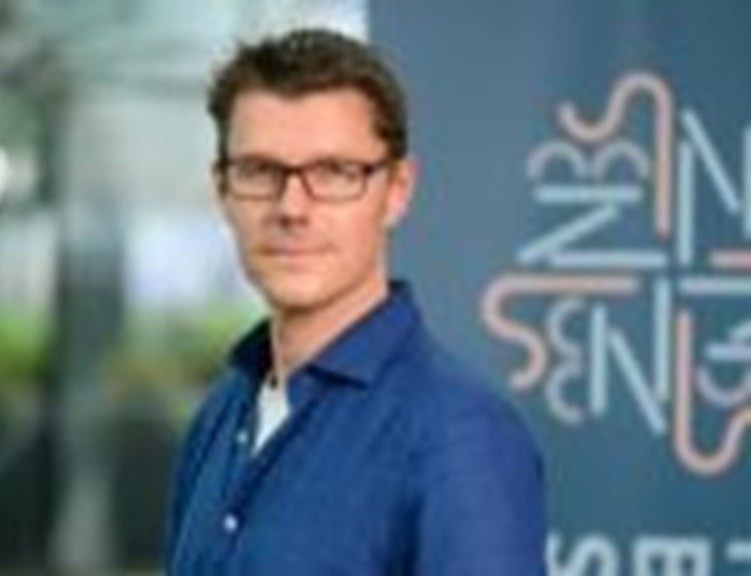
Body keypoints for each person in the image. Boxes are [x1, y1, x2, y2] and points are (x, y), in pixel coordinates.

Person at [165, 28, 546, 575]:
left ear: (397, 190)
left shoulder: (461, 438)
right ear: (223, 190)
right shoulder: (221, 413)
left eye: (333, 172)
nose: (292, 208)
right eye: (259, 171)